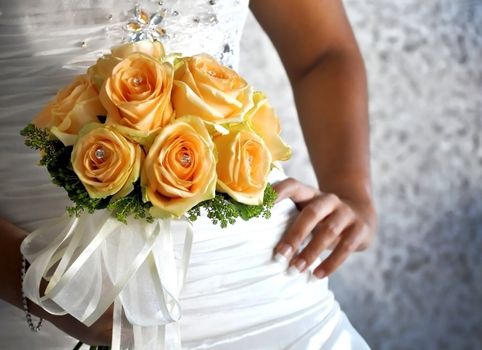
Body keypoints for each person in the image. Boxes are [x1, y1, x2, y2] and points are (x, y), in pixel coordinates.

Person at [0, 0, 377, 348]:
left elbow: (322, 53)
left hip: (268, 288)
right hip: (43, 296)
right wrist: (37, 285)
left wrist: (351, 192)